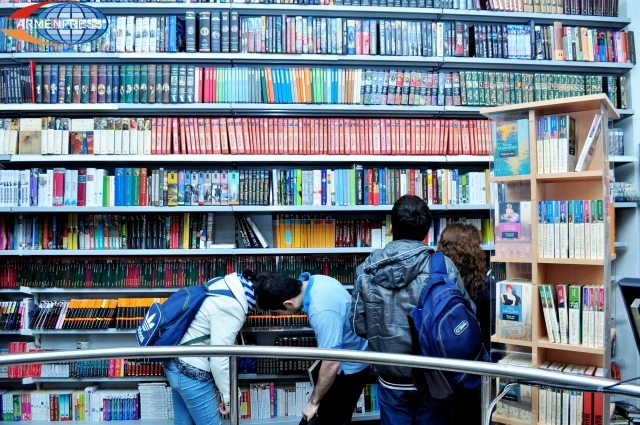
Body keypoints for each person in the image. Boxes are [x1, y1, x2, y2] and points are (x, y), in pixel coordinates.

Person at [350, 194, 473, 425]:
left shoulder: (366, 270)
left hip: (391, 377)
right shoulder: (442, 266)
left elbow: (358, 326)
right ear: (427, 232)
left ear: (391, 229)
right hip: (435, 374)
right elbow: (466, 315)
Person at [255, 272, 369, 425]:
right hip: (346, 357)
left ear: (289, 304)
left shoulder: (322, 311)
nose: (278, 315)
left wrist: (313, 402)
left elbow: (331, 362)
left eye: (277, 312)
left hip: (347, 369)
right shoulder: (317, 280)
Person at [162, 270, 257, 425]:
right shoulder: (234, 306)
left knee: (183, 423)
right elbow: (220, 359)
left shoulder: (223, 282)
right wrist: (230, 399)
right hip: (191, 370)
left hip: (175, 361)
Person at [437, 222, 495, 425]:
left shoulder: (437, 285)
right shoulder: (487, 288)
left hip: (441, 370)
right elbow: (492, 337)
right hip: (475, 371)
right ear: (475, 251)